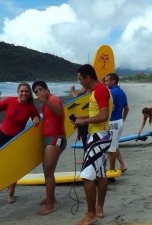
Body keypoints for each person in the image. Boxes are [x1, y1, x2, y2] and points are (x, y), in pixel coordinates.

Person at [73, 64, 112, 225]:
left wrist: (84, 120)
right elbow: (97, 112)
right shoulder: (98, 91)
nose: (80, 82)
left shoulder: (101, 90)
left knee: (87, 176)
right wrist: (82, 117)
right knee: (101, 174)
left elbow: (103, 116)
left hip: (98, 138)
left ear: (88, 77)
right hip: (100, 135)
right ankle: (99, 209)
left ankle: (91, 214)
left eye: (81, 79)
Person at [0, 82, 40, 204]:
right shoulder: (9, 101)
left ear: (29, 93)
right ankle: (1, 181)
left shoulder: (30, 108)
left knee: (14, 165)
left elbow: (36, 118)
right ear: (18, 92)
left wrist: (36, 119)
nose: (24, 93)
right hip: (2, 136)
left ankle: (11, 193)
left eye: (26, 91)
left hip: (16, 139)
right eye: (22, 91)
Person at [32, 81, 67, 216]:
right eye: (36, 91)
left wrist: (45, 100)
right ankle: (51, 197)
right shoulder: (47, 101)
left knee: (49, 172)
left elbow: (58, 112)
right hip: (47, 139)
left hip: (55, 139)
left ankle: (50, 206)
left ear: (46, 89)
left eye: (40, 89)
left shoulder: (53, 98)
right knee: (46, 171)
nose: (38, 93)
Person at [104, 73, 129, 173]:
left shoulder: (111, 92)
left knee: (111, 149)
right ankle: (122, 165)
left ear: (113, 81)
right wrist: (122, 120)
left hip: (113, 123)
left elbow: (112, 108)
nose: (105, 83)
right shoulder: (121, 92)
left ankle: (111, 171)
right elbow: (126, 108)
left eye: (106, 80)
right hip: (119, 121)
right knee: (114, 146)